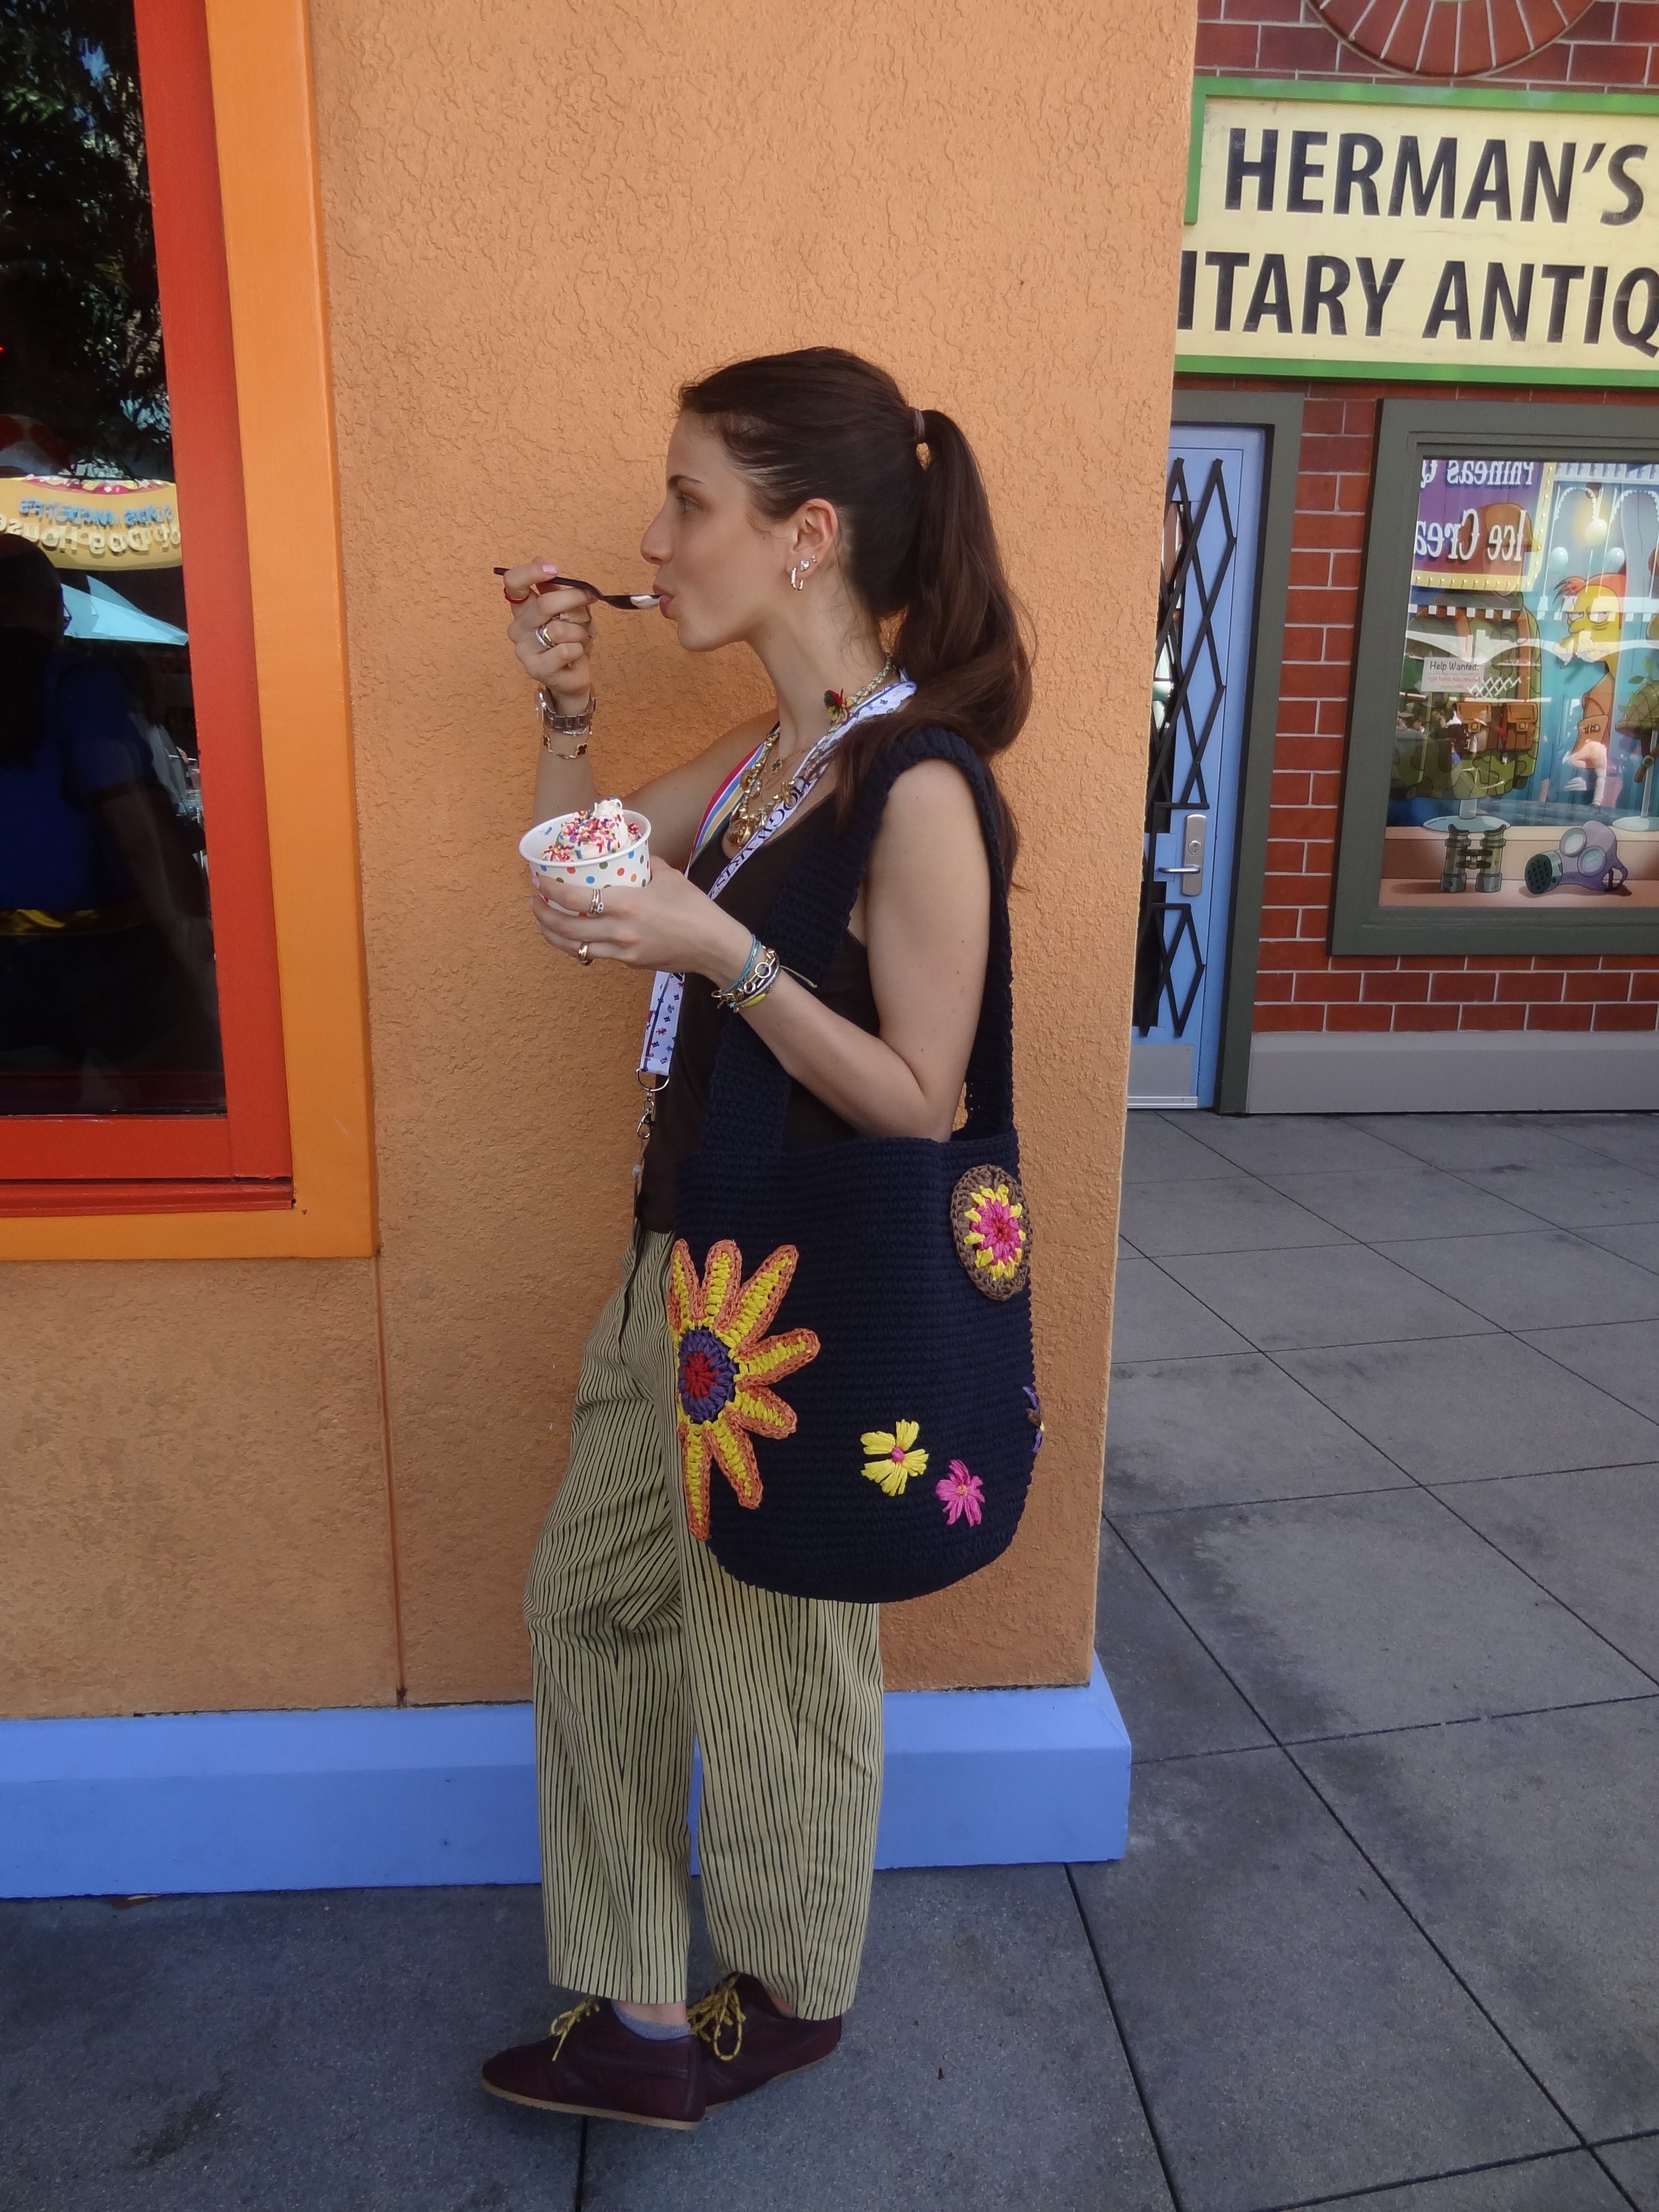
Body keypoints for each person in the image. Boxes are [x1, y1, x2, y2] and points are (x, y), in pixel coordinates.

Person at [480, 348, 1029, 2130]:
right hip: (678, 1278)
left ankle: (785, 1989)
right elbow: (580, 869)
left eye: (687, 499)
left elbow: (925, 1099)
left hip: (803, 1302)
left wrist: (728, 956)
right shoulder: (775, 756)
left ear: (806, 535)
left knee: (781, 1646)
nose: (652, 536)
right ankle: (640, 1993)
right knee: (592, 1604)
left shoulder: (915, 786)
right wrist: (564, 715)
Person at [0, 537, 219, 1109]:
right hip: (107, 959)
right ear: (47, 606)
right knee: (182, 1106)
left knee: (33, 1138)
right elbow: (137, 830)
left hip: (9, 973)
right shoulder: (79, 686)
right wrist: (189, 939)